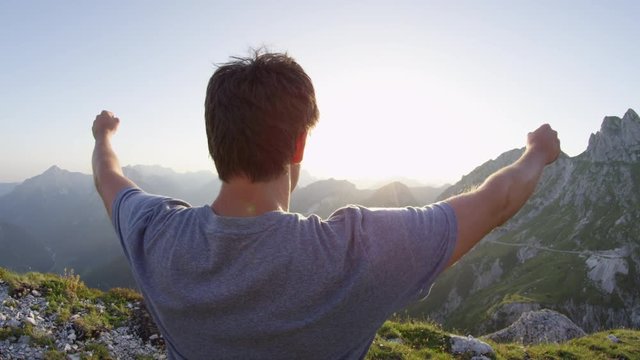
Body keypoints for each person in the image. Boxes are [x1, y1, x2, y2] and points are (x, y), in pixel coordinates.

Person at [92, 52, 560, 359]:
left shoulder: (156, 235)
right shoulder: (353, 254)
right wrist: (537, 151)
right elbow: (496, 201)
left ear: (215, 142)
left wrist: (104, 135)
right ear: (298, 145)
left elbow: (109, 178)